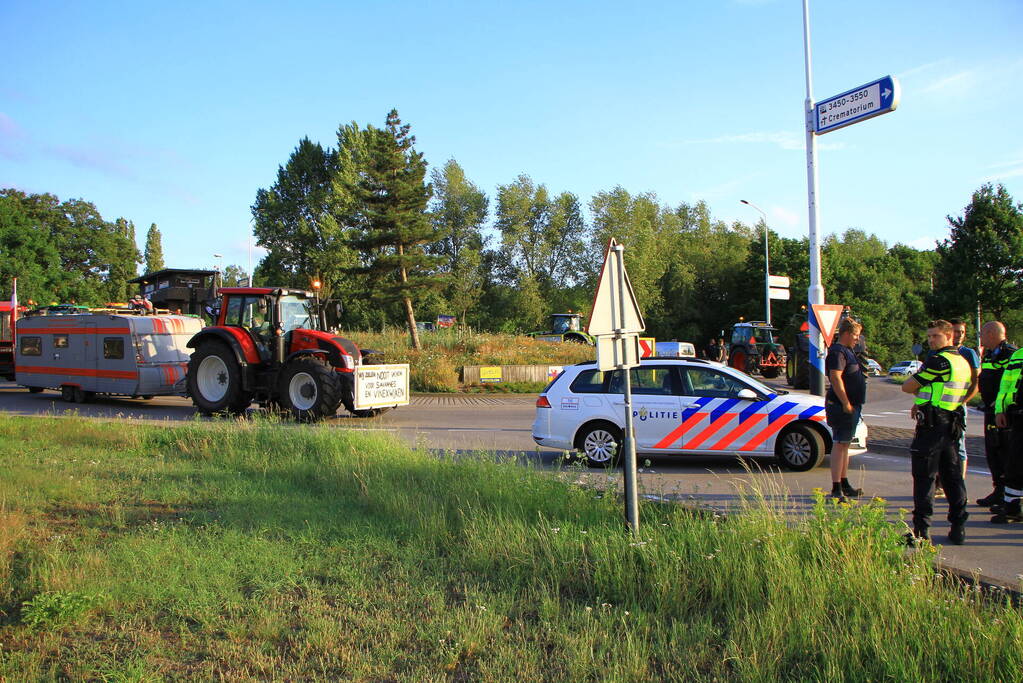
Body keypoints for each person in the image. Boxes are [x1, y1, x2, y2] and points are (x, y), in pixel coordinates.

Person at [902, 320, 971, 544]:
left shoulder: (938, 360)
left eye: (936, 336)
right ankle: (958, 526)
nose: (931, 340)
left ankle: (921, 531)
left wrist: (921, 393)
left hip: (932, 427)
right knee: (953, 477)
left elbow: (908, 386)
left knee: (924, 478)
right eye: (929, 336)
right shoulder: (962, 361)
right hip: (952, 423)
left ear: (949, 337)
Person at [824, 318, 866, 501]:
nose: (857, 339)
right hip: (842, 406)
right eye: (855, 335)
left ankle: (844, 482)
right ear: (847, 334)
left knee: (845, 445)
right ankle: (836, 488)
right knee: (840, 444)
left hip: (851, 405)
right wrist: (845, 402)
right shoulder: (837, 352)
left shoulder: (847, 351)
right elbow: (835, 377)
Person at [976, 322, 1017, 507]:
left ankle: (1006, 495)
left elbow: (1008, 383)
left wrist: (999, 405)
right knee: (992, 451)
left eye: (982, 333)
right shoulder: (990, 354)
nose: (980, 337)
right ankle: (998, 489)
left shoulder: (1009, 353)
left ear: (991, 333)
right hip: (990, 410)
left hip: (1003, 412)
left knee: (1004, 452)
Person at [992, 344, 1023, 524]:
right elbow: (1006, 385)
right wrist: (1000, 410)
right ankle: (1013, 508)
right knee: (1014, 464)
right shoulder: (1018, 354)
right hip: (1017, 415)